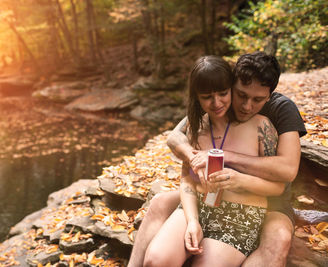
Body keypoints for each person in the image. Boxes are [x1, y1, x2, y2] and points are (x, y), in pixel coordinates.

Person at [128, 52, 306, 267]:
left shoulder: (270, 120)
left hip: (247, 213)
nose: (247, 106)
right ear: (232, 84)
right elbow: (183, 164)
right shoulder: (202, 121)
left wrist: (236, 175)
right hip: (202, 205)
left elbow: (285, 175)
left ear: (269, 95)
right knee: (156, 259)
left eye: (257, 99)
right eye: (241, 95)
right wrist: (193, 220)